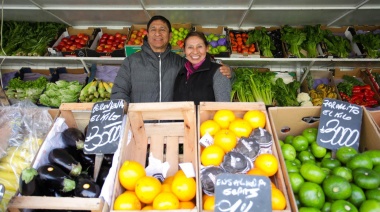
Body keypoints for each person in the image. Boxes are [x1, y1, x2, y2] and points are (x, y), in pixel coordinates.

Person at [111, 15, 231, 103]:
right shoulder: (131, 62)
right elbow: (119, 92)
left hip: (173, 125)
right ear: (147, 34)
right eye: (153, 29)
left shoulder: (181, 62)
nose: (157, 33)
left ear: (170, 35)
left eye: (162, 30)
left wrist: (229, 71)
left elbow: (206, 69)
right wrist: (127, 117)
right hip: (140, 125)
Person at [173, 31, 231, 105]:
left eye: (199, 46)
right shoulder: (181, 73)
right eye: (190, 47)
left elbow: (223, 108)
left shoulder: (219, 72)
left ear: (207, 48)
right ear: (184, 50)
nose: (195, 51)